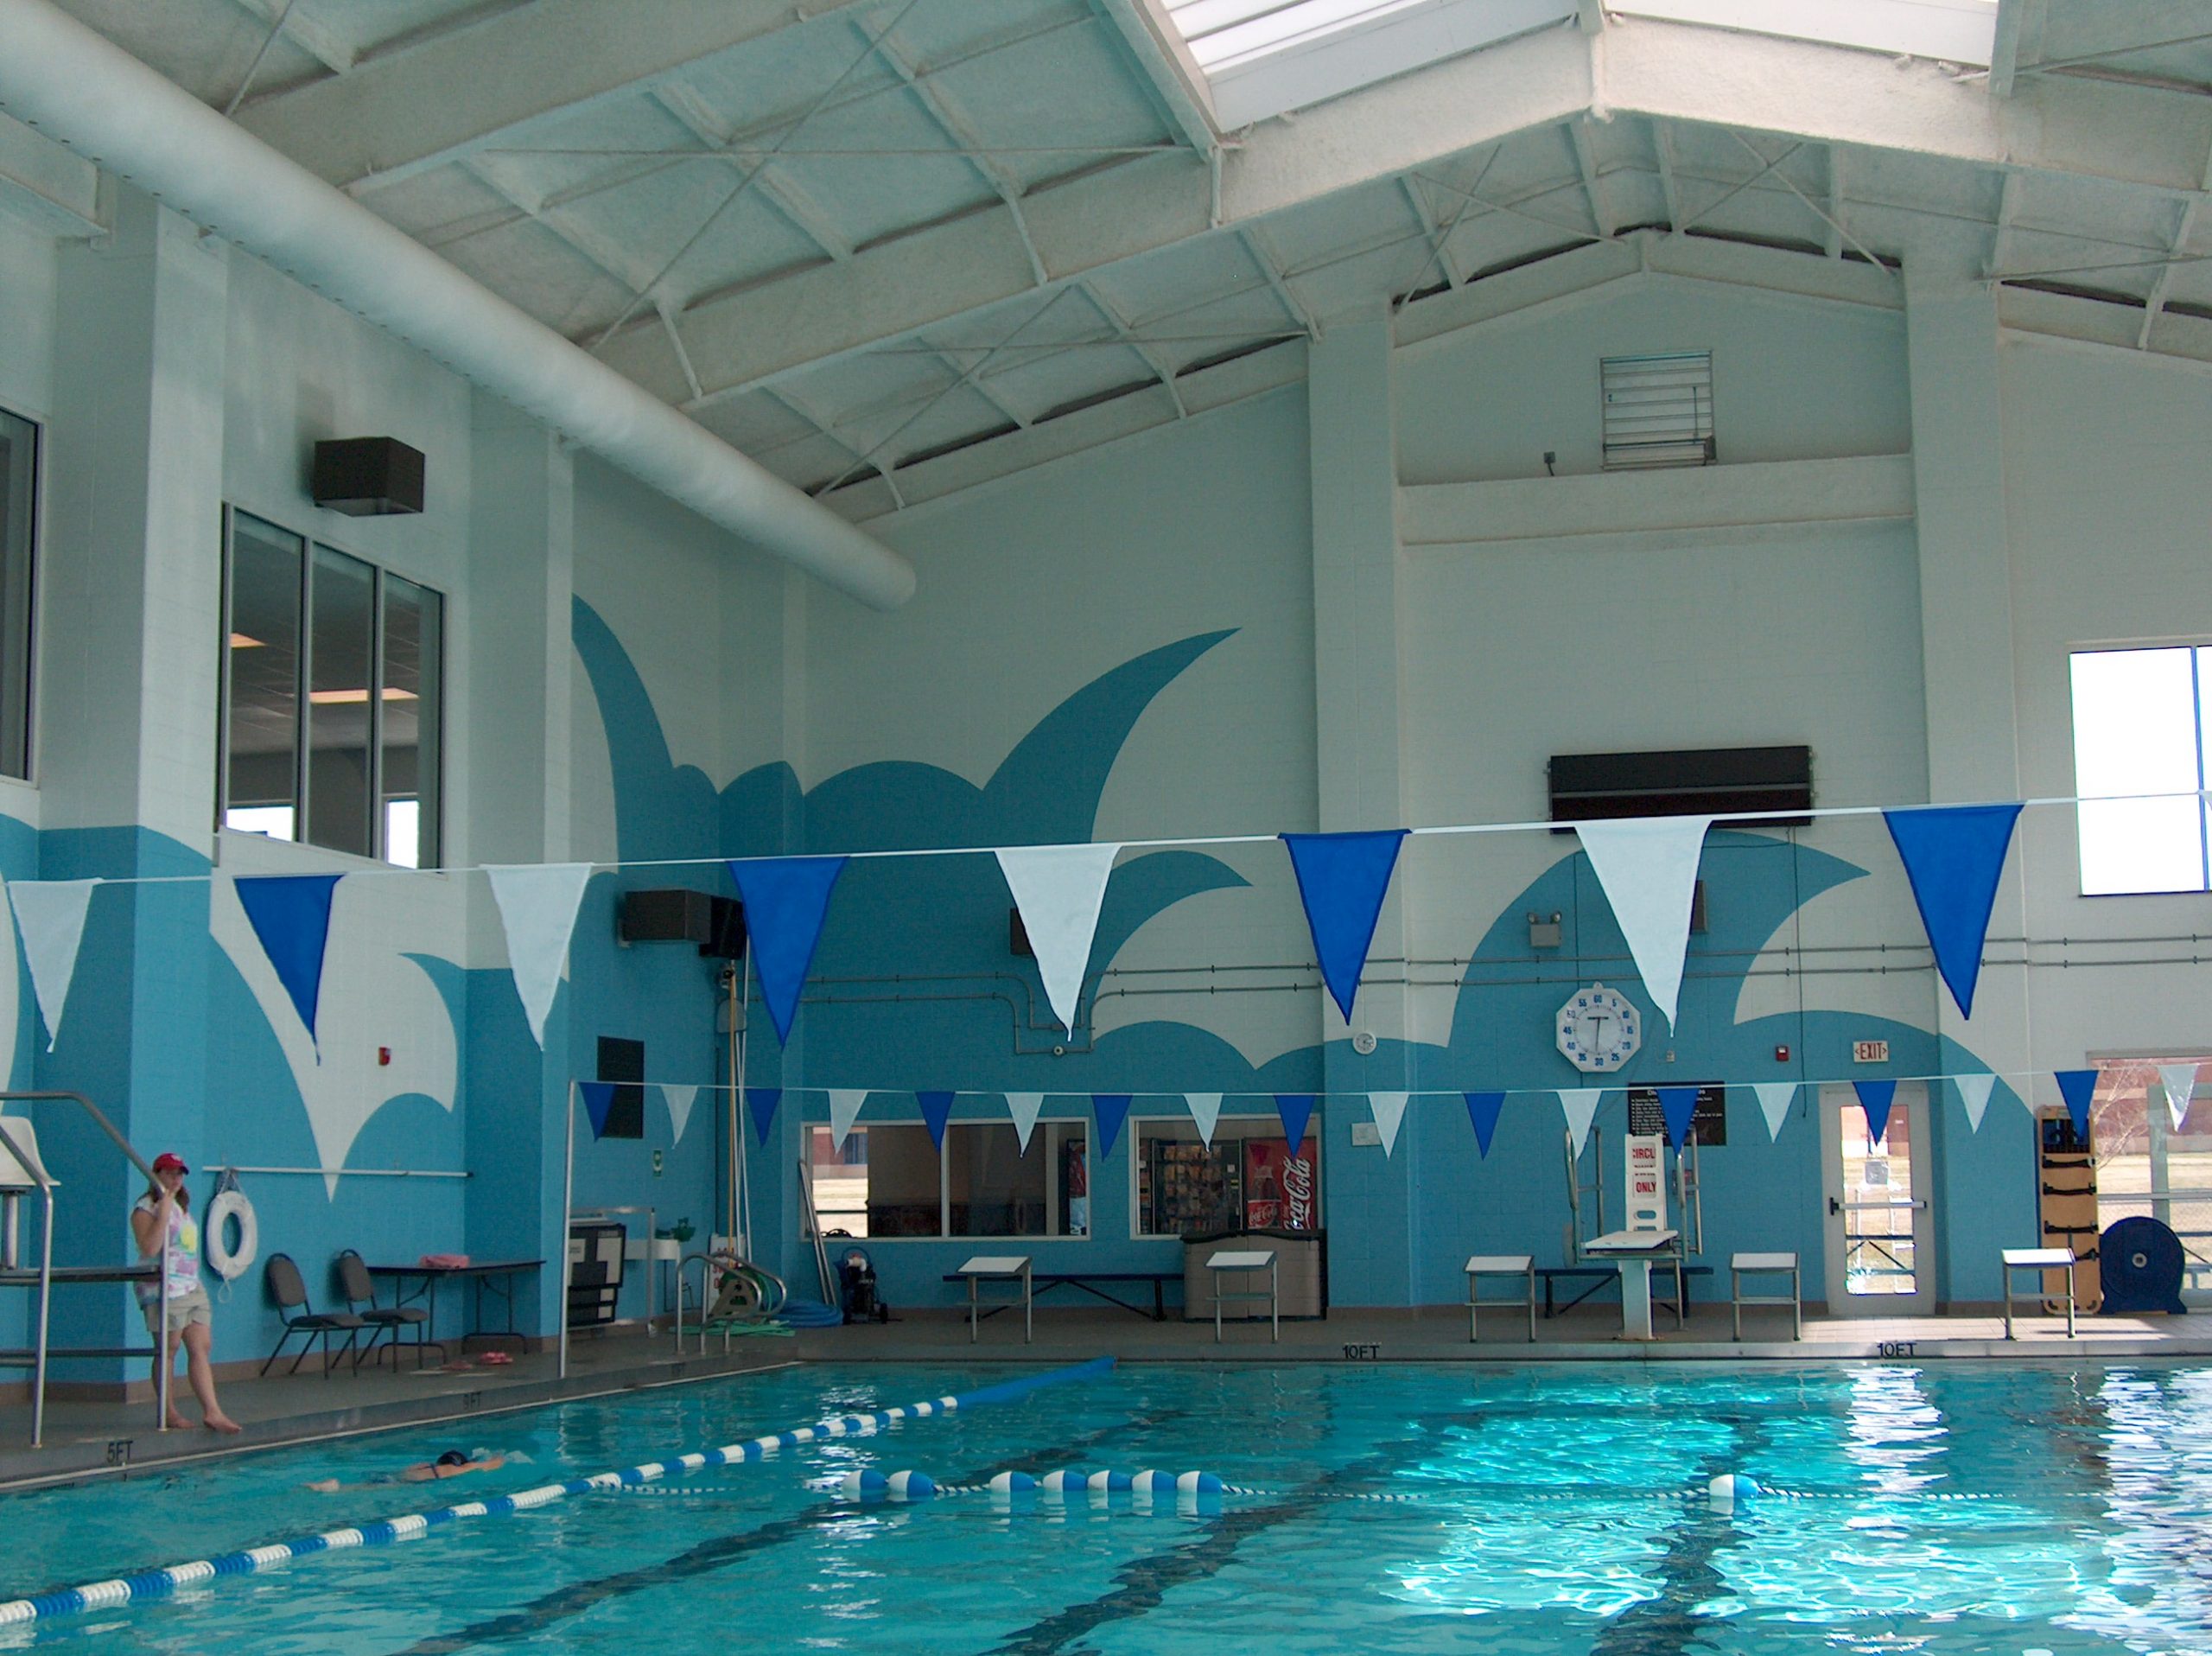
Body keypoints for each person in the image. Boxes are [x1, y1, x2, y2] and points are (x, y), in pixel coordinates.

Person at [130, 1152, 240, 1434]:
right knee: (168, 1349)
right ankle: (168, 1411)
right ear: (156, 1175)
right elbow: (149, 1248)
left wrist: (172, 1207)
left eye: (179, 1173)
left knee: (201, 1346)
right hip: (163, 1288)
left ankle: (213, 1411)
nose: (176, 1178)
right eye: (169, 1173)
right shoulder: (145, 1208)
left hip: (190, 1285)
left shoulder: (182, 1205)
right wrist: (163, 1213)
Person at [306, 1448, 507, 1493]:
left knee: (364, 1485)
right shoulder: (460, 1469)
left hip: (393, 1477)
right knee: (359, 1489)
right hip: (404, 1484)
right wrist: (500, 1456)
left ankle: (330, 1486)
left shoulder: (424, 1465)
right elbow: (490, 1465)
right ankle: (332, 1488)